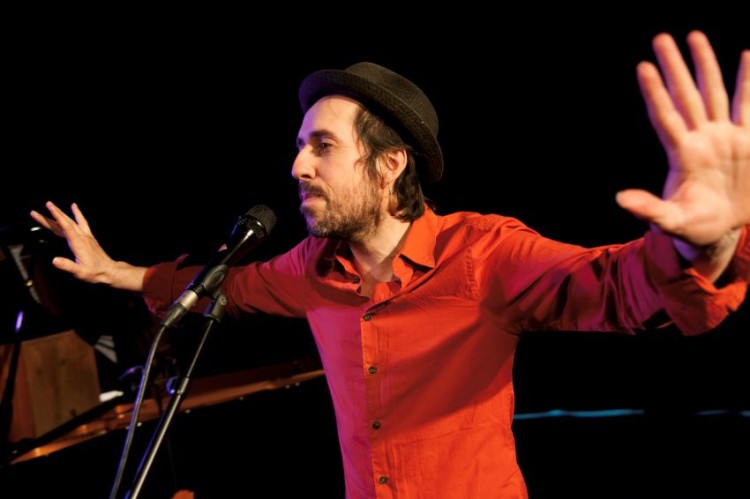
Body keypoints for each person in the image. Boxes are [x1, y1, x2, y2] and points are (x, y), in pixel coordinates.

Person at [31, 30, 749, 498]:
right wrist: (116, 272)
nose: (297, 166)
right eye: (300, 147)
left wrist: (705, 246)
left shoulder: (484, 252)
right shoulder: (311, 268)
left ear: (389, 163)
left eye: (322, 147)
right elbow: (226, 286)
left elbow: (617, 286)